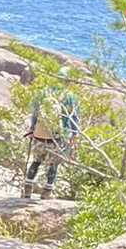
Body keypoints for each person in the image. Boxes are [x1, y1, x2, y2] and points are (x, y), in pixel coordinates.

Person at [23, 71, 79, 199]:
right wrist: (74, 134)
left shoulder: (42, 93)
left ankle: (27, 190)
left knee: (36, 161)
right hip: (57, 138)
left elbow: (34, 114)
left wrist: (32, 129)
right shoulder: (69, 96)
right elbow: (73, 117)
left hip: (39, 135)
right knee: (53, 164)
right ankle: (46, 192)